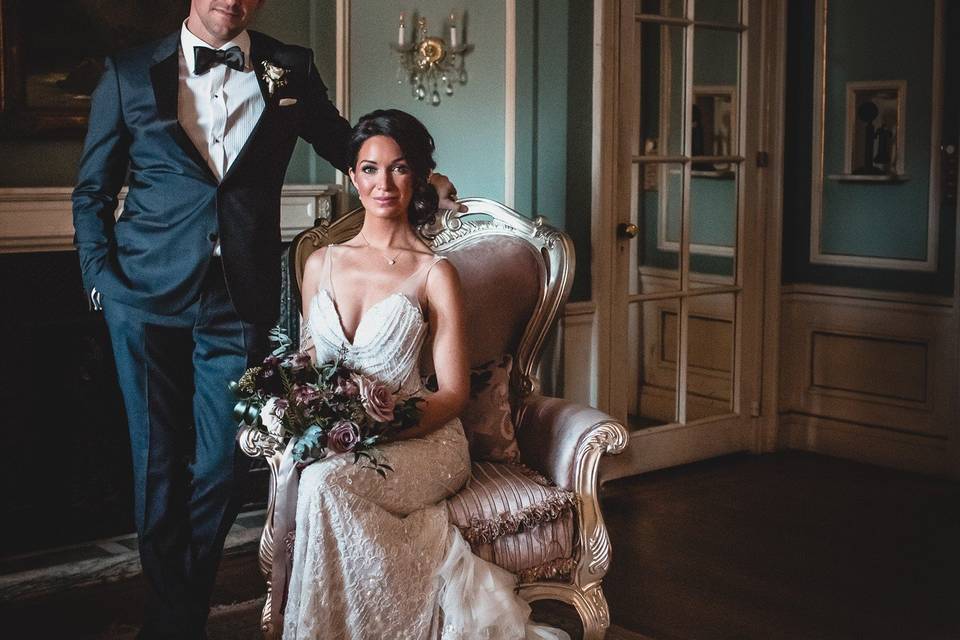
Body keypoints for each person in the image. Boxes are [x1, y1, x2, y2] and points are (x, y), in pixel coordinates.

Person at [71, 1, 460, 638]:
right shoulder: (127, 71)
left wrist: (419, 172)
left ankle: (171, 617)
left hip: (238, 297)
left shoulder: (290, 67)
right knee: (157, 462)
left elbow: (345, 143)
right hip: (143, 296)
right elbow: (92, 189)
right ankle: (177, 621)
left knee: (226, 467)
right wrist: (99, 280)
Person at [277, 109, 569, 640]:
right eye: (369, 169)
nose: (382, 184)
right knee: (323, 478)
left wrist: (374, 429)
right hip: (346, 444)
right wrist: (309, 417)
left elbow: (455, 393)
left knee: (322, 483)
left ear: (417, 177)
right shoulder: (321, 262)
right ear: (351, 176)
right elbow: (310, 369)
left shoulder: (434, 272)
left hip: (427, 442)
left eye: (399, 168)